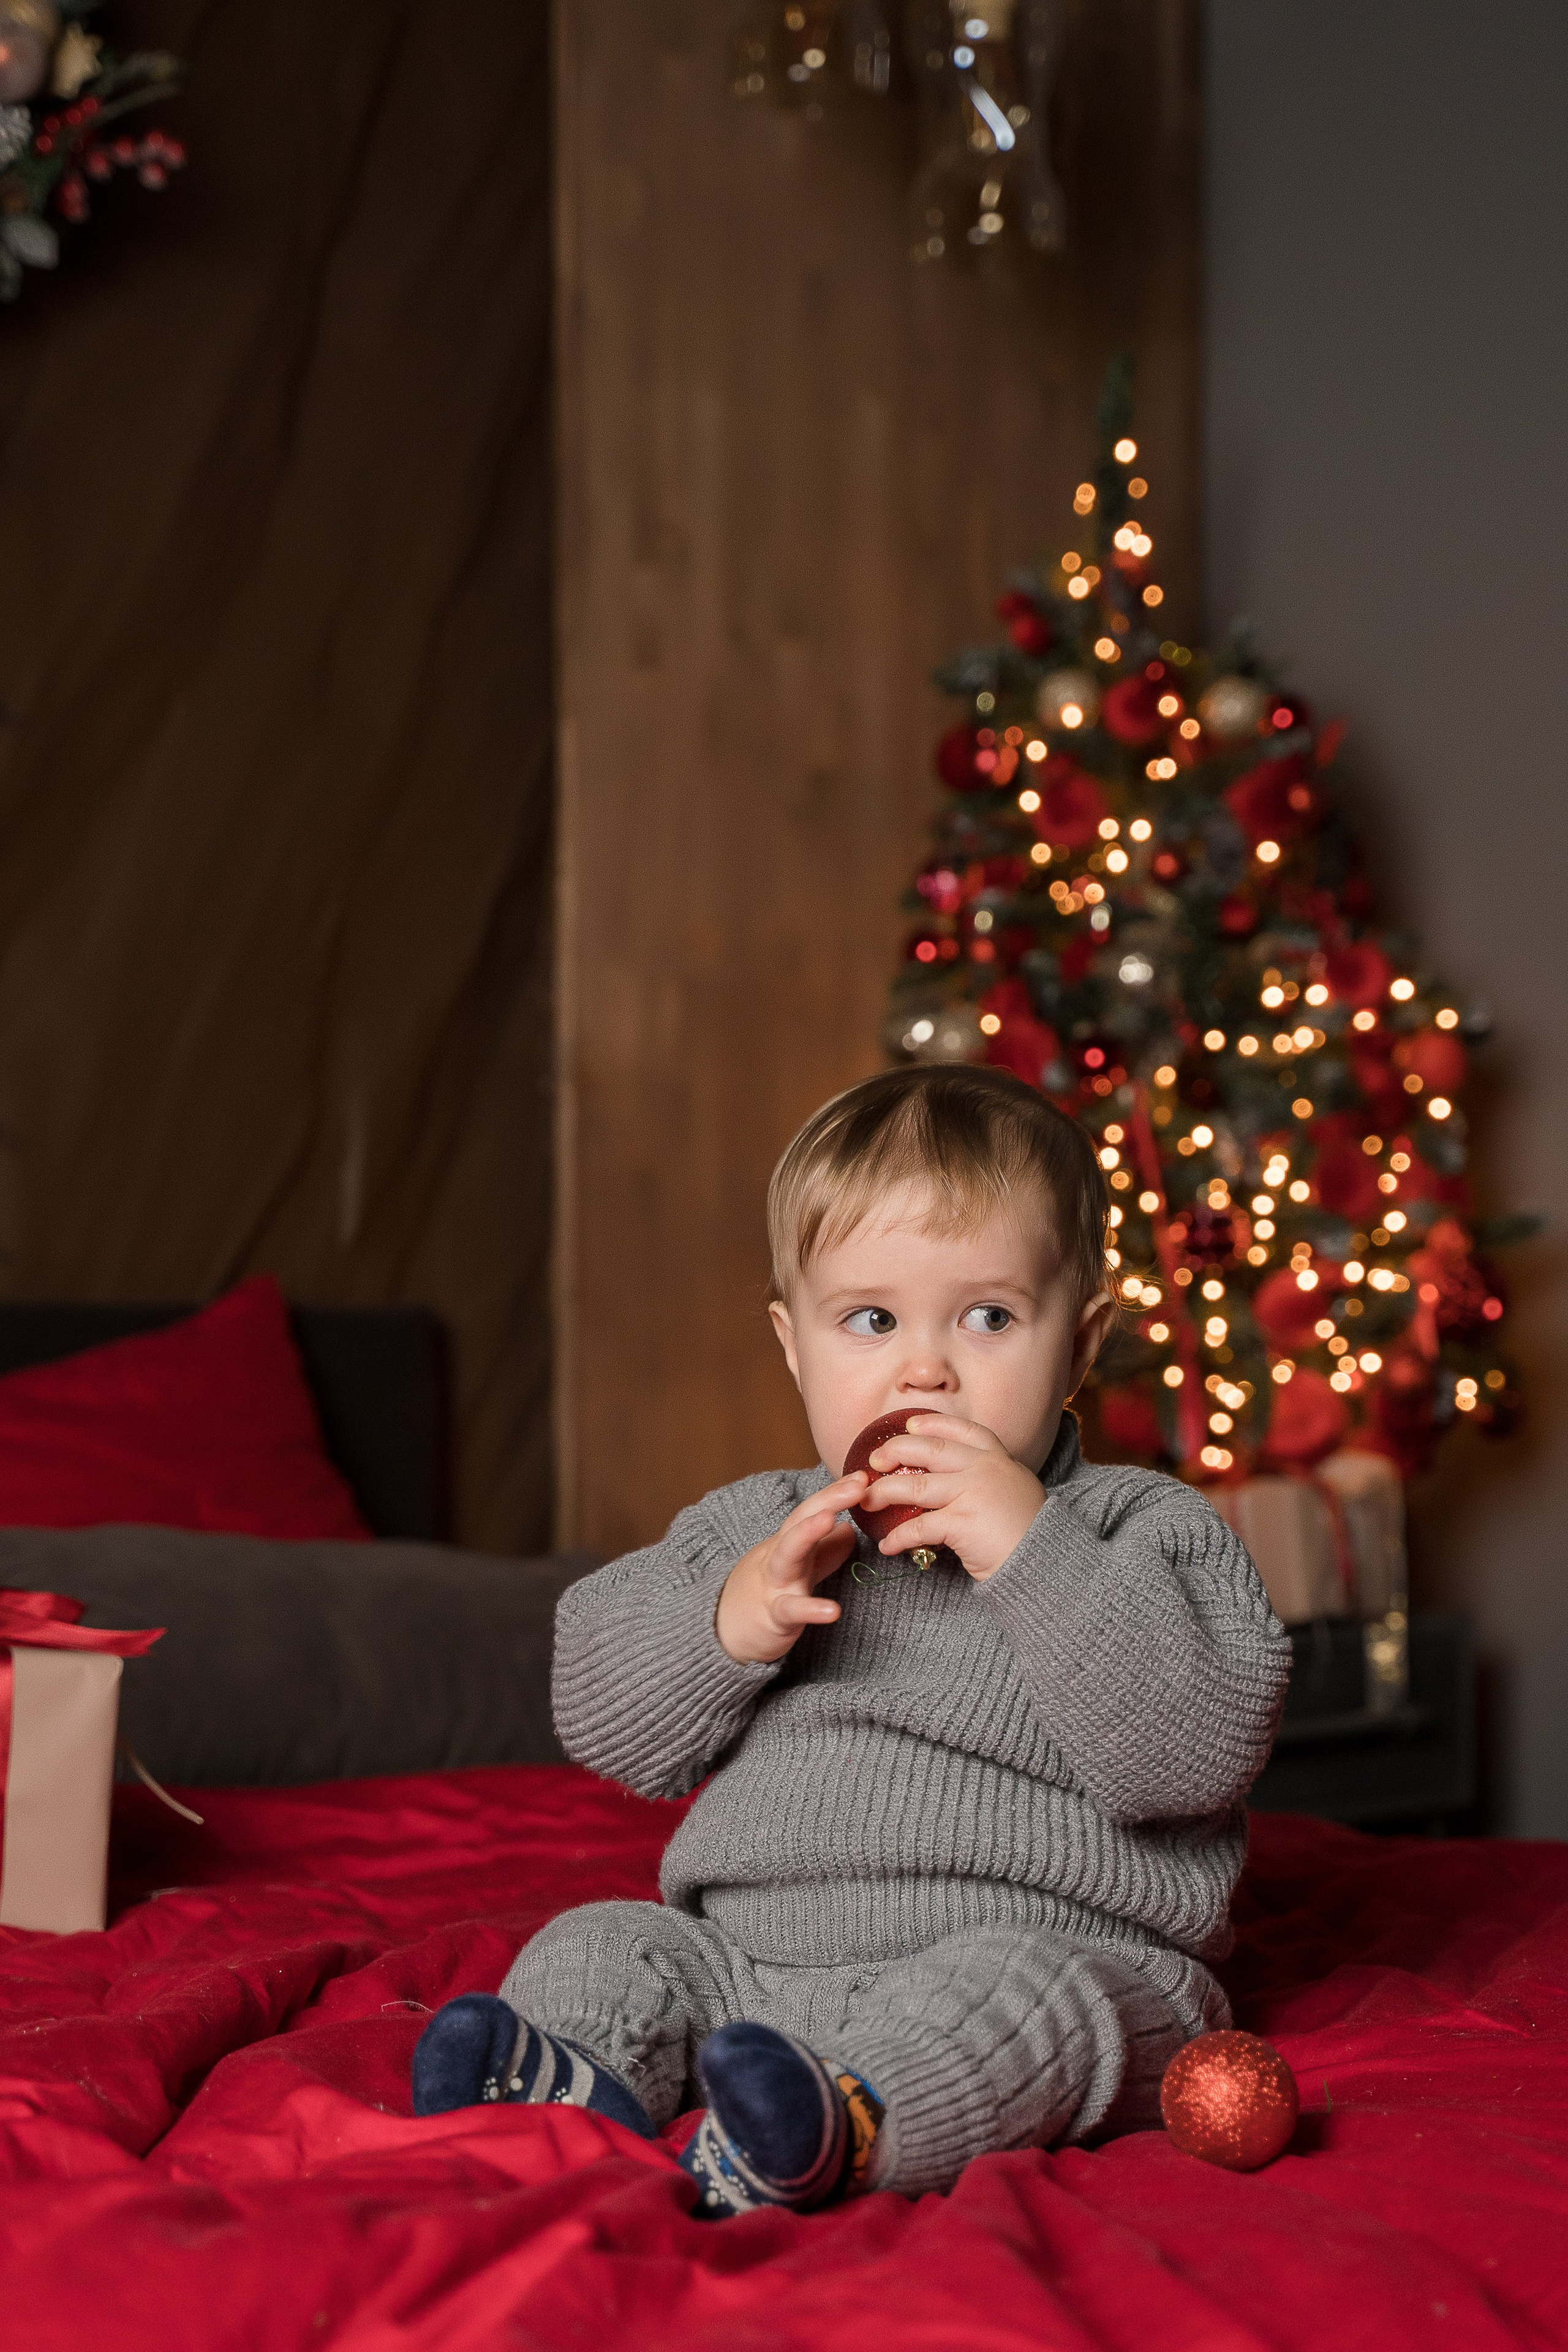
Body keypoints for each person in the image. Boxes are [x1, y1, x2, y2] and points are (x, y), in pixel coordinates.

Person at [412, 1064, 1291, 2214]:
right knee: (607, 1943)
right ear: (794, 1345)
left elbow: (1194, 1752)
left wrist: (1035, 1551)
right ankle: (568, 2086)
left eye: (989, 1317)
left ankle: (848, 2125)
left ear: (1079, 1345)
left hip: (1053, 1955)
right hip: (755, 1970)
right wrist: (733, 1620)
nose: (923, 1368)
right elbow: (598, 1710)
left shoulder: (1139, 1531)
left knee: (1015, 2000)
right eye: (870, 1320)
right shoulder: (759, 1528)